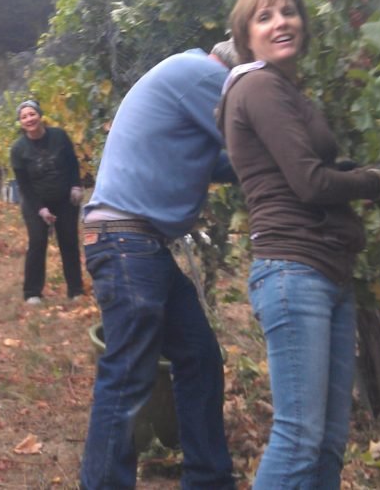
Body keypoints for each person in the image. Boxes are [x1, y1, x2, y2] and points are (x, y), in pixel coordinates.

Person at [216, 0, 380, 489]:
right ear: (246, 34)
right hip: (294, 270)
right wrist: (375, 182)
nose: (281, 22)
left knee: (328, 440)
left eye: (289, 12)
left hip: (326, 269)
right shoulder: (259, 85)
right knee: (298, 438)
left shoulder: (283, 89)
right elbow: (310, 183)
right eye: (265, 16)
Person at [79, 39, 239, 489]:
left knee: (200, 357)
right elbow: (252, 138)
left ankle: (209, 479)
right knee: (128, 374)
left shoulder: (185, 80)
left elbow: (229, 161)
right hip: (129, 243)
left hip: (138, 246)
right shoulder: (206, 77)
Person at [9, 99, 84, 304]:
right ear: (21, 122)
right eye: (24, 117)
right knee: (38, 242)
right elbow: (24, 186)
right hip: (35, 203)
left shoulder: (59, 136)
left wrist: (76, 186)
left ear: (40, 115)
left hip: (65, 200)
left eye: (32, 114)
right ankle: (32, 293)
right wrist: (41, 209)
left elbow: (72, 163)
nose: (29, 119)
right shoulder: (18, 149)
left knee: (69, 241)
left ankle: (76, 290)